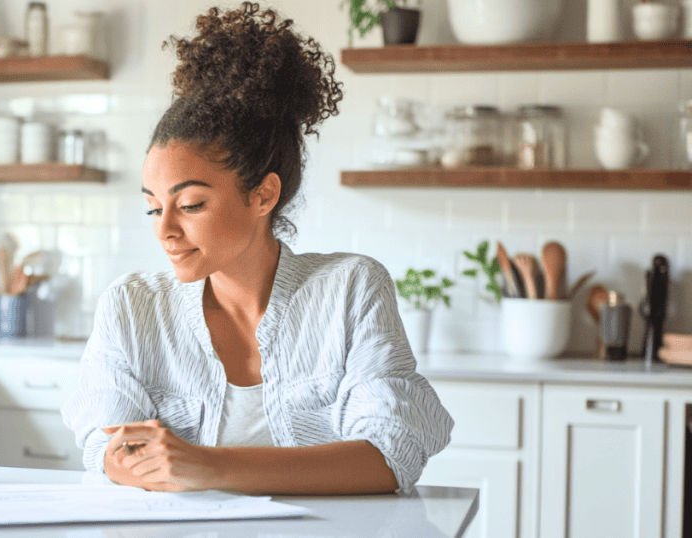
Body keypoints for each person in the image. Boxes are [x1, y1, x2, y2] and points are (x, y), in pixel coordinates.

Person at [61, 2, 452, 495]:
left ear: (262, 195)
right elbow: (106, 449)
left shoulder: (350, 288)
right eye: (153, 208)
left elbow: (389, 456)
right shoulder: (131, 307)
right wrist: (123, 458)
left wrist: (208, 467)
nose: (165, 231)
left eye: (192, 204)